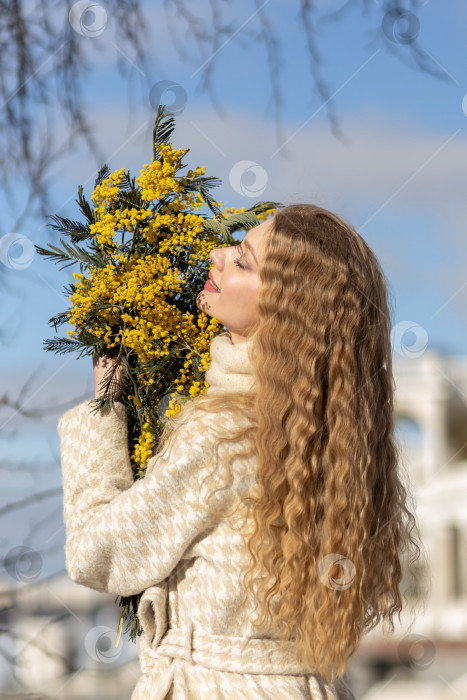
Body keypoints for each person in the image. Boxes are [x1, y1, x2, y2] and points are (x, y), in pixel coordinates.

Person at [58, 203, 420, 699]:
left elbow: (99, 554)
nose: (217, 254)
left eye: (243, 262)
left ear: (285, 309)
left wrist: (102, 413)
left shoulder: (225, 435)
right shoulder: (336, 441)